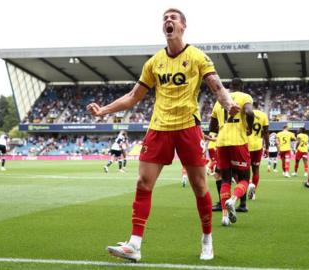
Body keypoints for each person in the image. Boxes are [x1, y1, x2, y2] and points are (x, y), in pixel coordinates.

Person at [87, 8, 239, 261]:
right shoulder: (154, 62)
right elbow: (134, 96)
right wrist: (104, 110)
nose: (168, 20)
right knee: (142, 183)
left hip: (188, 128)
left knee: (200, 186)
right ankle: (134, 244)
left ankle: (207, 239)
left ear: (183, 26)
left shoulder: (198, 56)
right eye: (165, 18)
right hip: (159, 128)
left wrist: (228, 103)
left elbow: (217, 86)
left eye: (173, 18)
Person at [209, 77, 254, 226]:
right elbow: (249, 113)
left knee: (225, 179)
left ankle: (224, 217)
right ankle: (233, 200)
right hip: (238, 142)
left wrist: (224, 126)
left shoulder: (219, 101)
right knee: (245, 178)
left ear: (230, 86)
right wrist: (249, 127)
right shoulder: (245, 97)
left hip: (221, 143)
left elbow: (212, 127)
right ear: (241, 86)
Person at [247, 101, 269, 201]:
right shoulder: (263, 115)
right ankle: (253, 192)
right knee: (256, 169)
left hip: (246, 145)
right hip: (258, 146)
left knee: (243, 170)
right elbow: (266, 132)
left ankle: (248, 185)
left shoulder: (246, 113)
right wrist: (267, 148)